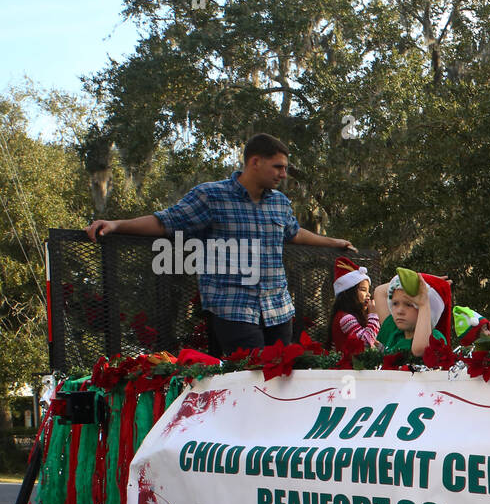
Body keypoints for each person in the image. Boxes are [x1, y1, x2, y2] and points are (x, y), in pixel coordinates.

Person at [84, 133, 355, 356]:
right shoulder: (211, 195)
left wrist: (333, 242)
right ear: (255, 162)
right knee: (252, 378)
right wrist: (118, 225)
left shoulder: (279, 202)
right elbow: (166, 222)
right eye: (278, 167)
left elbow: (294, 234)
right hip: (233, 307)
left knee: (282, 379)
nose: (283, 174)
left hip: (278, 308)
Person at [375, 269, 452, 356]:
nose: (399, 311)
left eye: (409, 305)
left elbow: (419, 350)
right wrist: (421, 279)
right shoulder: (394, 332)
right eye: (395, 303)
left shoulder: (434, 337)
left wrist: (423, 303)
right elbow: (379, 291)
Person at [329, 257, 381, 364]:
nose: (369, 295)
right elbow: (365, 343)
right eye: (363, 290)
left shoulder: (351, 316)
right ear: (349, 293)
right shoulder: (345, 318)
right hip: (348, 370)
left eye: (368, 290)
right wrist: (373, 315)